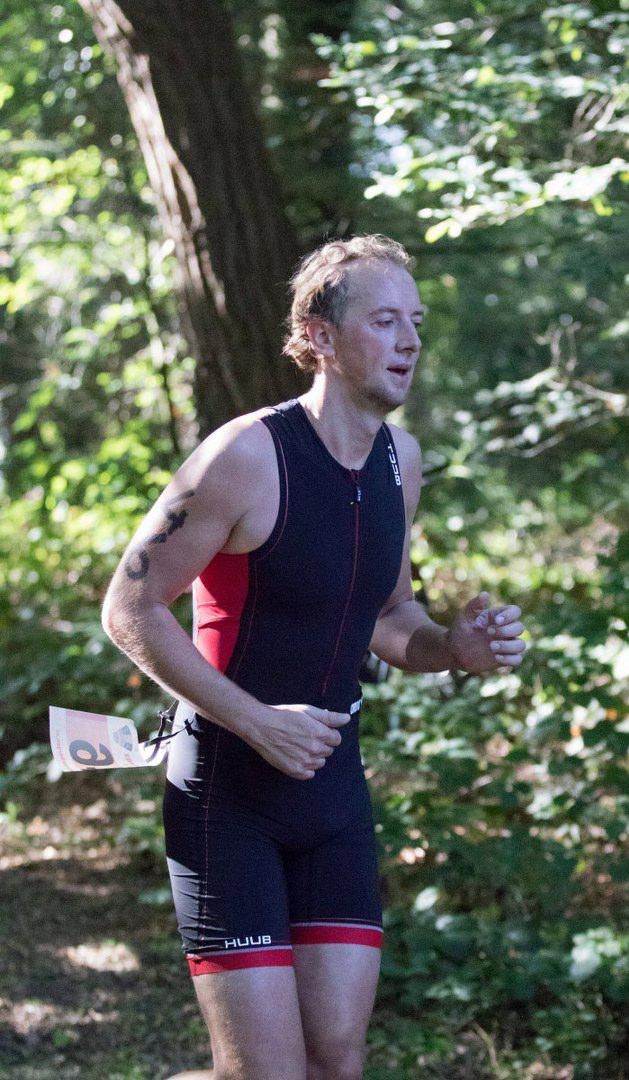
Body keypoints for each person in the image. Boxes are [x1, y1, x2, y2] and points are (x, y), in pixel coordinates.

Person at [101, 234, 527, 1080]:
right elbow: (130, 606)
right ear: (320, 334)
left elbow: (389, 615)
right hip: (229, 794)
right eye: (384, 320)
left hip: (331, 794)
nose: (409, 341)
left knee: (337, 1060)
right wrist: (257, 722)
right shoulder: (246, 456)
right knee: (266, 1073)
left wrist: (454, 648)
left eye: (416, 322)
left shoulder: (402, 462)